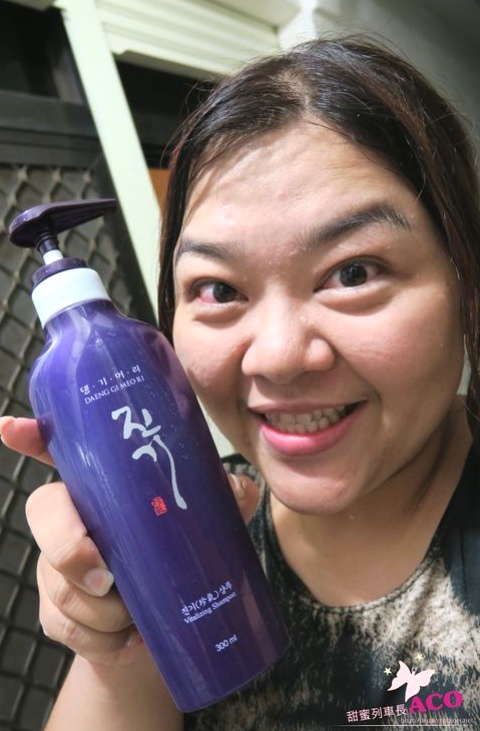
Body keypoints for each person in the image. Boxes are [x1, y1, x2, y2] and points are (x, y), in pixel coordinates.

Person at [1, 34, 480, 730]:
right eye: (220, 288)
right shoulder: (200, 523)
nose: (278, 358)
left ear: (463, 276)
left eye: (353, 272)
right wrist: (119, 645)